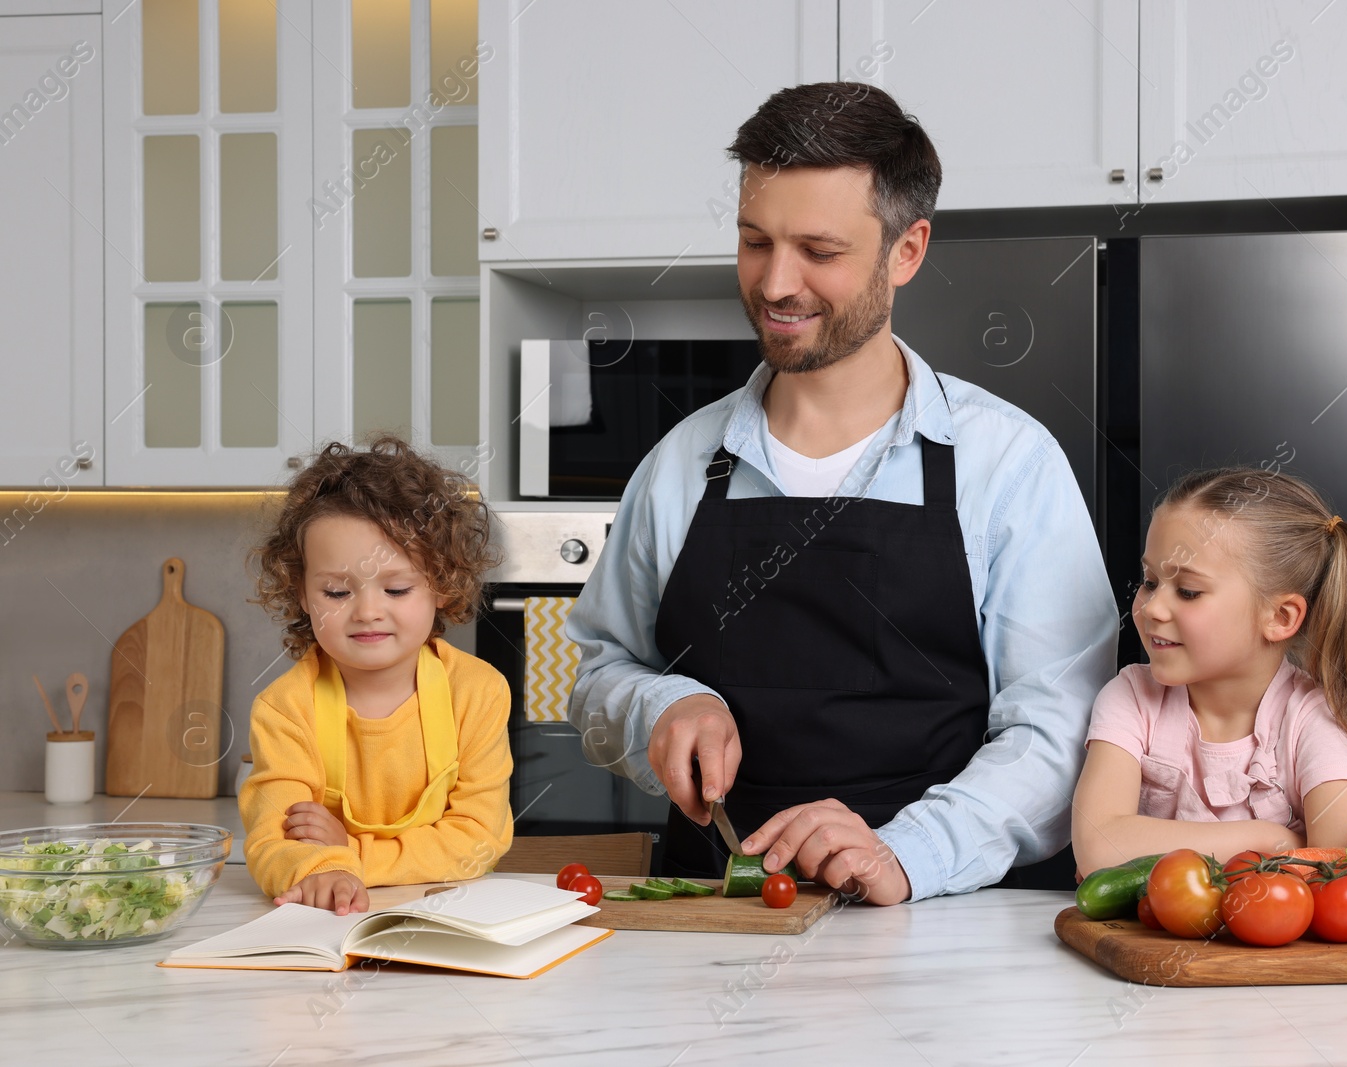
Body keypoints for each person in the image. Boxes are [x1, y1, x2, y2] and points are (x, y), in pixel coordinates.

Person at [567, 82, 1119, 904]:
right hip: (713, 921)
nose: (776, 284)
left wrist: (909, 852)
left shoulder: (1008, 463)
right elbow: (599, 673)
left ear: (907, 250)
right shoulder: (681, 463)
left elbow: (1059, 731)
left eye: (818, 252)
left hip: (943, 929)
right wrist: (661, 703)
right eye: (756, 242)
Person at [1070, 467, 1347, 876]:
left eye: (1188, 591)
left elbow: (1343, 861)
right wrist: (1273, 841)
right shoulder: (1131, 697)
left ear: (1280, 617)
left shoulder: (1312, 720)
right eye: (1150, 581)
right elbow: (1096, 846)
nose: (1151, 608)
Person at [239, 436, 513, 914]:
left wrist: (348, 855)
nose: (367, 611)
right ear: (302, 594)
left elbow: (479, 840)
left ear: (442, 586)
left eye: (397, 588)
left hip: (451, 914)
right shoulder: (284, 709)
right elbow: (272, 842)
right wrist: (318, 873)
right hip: (333, 919)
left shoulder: (477, 692)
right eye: (337, 593)